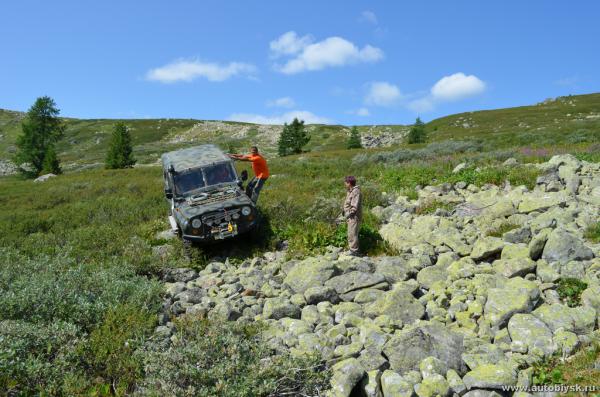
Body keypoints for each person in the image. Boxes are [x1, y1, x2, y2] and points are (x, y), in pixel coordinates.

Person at [342, 175, 362, 256]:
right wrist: (344, 210)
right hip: (350, 216)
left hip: (354, 216)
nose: (344, 184)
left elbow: (355, 205)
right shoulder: (350, 191)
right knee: (350, 233)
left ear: (349, 183)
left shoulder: (355, 191)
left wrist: (350, 213)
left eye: (345, 182)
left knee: (353, 233)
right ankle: (352, 249)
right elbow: (348, 202)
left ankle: (354, 251)